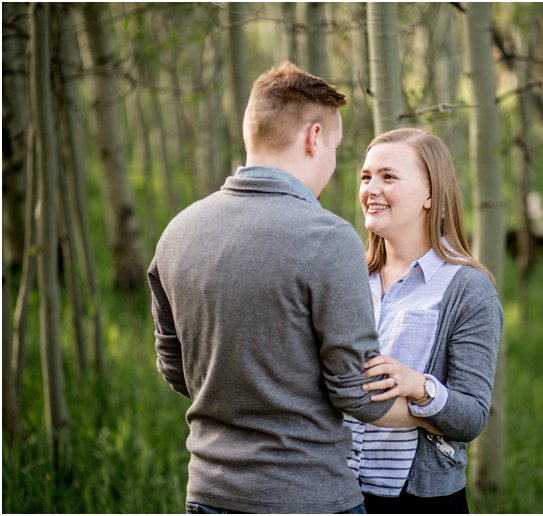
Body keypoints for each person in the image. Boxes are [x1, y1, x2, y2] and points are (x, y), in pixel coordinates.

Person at [148, 62, 411, 513]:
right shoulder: (327, 237)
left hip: (209, 496)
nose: (333, 163)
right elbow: (355, 392)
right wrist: (433, 408)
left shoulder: (178, 231)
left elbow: (176, 371)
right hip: (309, 496)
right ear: (313, 138)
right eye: (334, 147)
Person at [342, 127, 503, 513]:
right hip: (336, 492)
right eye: (366, 177)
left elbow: (471, 417)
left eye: (389, 177)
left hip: (417, 501)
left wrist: (419, 386)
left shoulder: (467, 288)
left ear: (431, 193)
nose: (371, 189)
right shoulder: (345, 277)